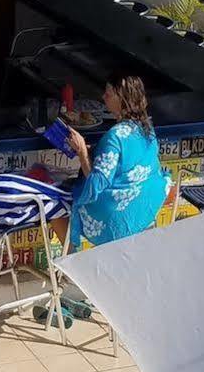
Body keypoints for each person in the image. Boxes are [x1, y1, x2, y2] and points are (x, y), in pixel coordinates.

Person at [62, 75, 170, 248]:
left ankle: (71, 259)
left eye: (109, 93)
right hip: (144, 206)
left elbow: (97, 184)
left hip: (115, 215)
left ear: (122, 99)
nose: (104, 97)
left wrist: (81, 151)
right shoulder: (147, 128)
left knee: (60, 201)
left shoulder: (115, 137)